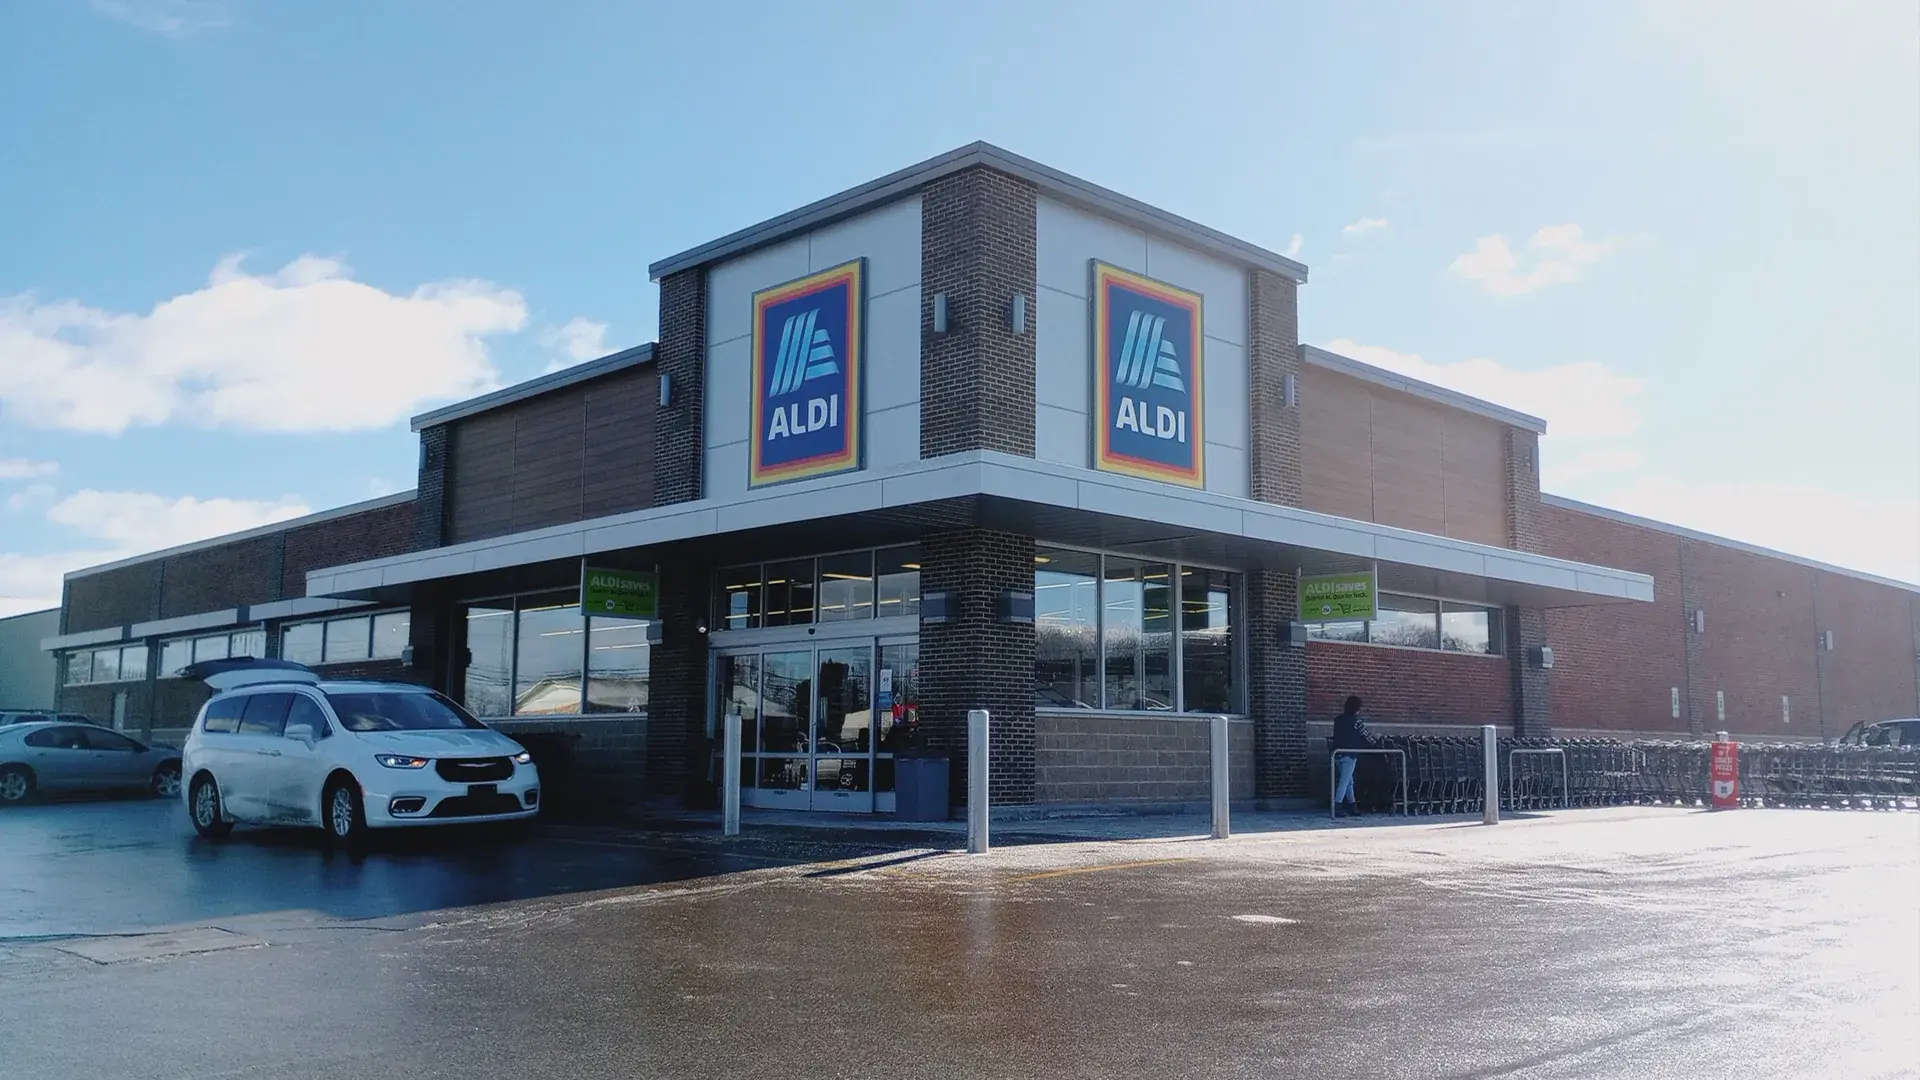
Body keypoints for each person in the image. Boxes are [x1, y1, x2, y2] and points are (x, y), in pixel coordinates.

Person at [1331, 694, 1378, 818]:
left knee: (1349, 781)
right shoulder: (1356, 722)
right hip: (1350, 754)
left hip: (1337, 753)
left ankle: (1352, 805)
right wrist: (1376, 741)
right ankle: (1337, 806)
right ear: (1357, 708)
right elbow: (1367, 737)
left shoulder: (1338, 719)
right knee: (1345, 781)